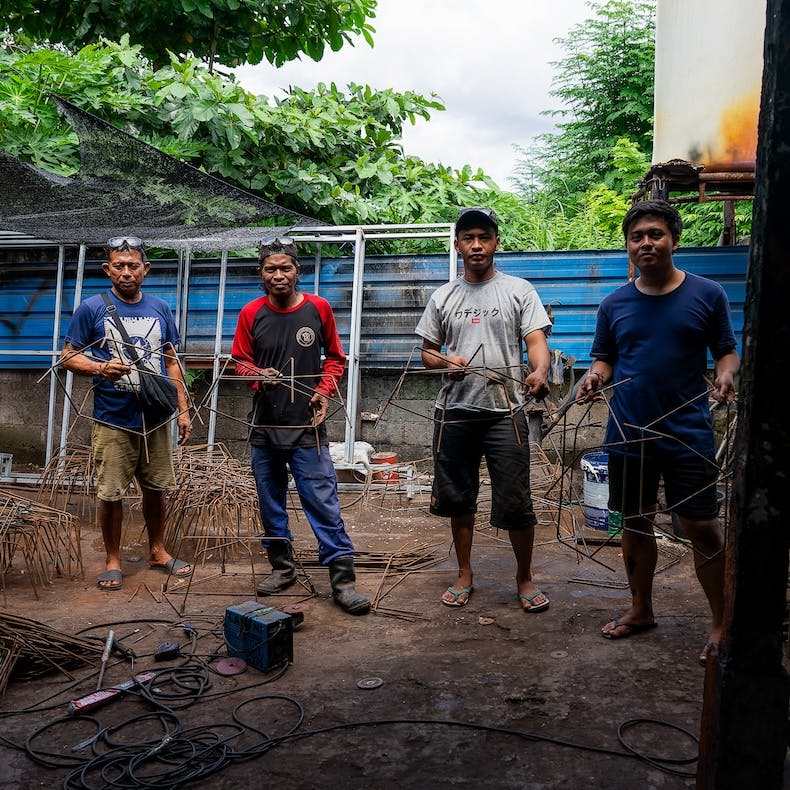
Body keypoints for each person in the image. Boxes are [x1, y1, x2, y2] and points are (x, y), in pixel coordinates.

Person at [578, 199, 739, 665]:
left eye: (655, 234)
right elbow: (605, 358)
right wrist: (594, 377)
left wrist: (727, 374)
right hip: (628, 432)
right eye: (637, 236)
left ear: (674, 239)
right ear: (628, 246)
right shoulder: (614, 304)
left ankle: (721, 623)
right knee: (634, 521)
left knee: (702, 528)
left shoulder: (708, 294)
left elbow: (726, 351)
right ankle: (641, 609)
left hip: (688, 432)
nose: (645, 242)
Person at [416, 207, 552, 610]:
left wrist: (541, 371)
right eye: (469, 238)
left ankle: (525, 578)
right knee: (458, 498)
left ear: (496, 242)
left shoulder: (518, 290)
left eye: (484, 237)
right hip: (455, 412)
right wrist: (446, 363)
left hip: (505, 412)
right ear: (457, 245)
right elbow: (427, 353)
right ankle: (464, 573)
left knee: (516, 499)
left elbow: (535, 340)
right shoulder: (444, 295)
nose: (477, 245)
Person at [231, 237, 370, 615]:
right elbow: (239, 362)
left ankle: (343, 581)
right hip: (264, 428)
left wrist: (324, 391)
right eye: (270, 269)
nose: (278, 275)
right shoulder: (250, 313)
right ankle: (283, 567)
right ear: (261, 274)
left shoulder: (319, 309)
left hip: (307, 429)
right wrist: (259, 375)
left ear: (298, 271)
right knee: (270, 502)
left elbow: (336, 359)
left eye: (285, 268)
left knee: (322, 503)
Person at [60, 236, 193, 591]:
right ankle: (113, 560)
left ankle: (158, 551)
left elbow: (170, 362)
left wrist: (183, 410)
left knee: (156, 489)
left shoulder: (161, 308)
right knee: (111, 493)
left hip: (155, 418)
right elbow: (68, 357)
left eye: (133, 265)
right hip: (113, 418)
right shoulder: (91, 308)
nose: (126, 272)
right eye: (118, 265)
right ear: (107, 269)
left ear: (145, 269)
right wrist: (102, 369)